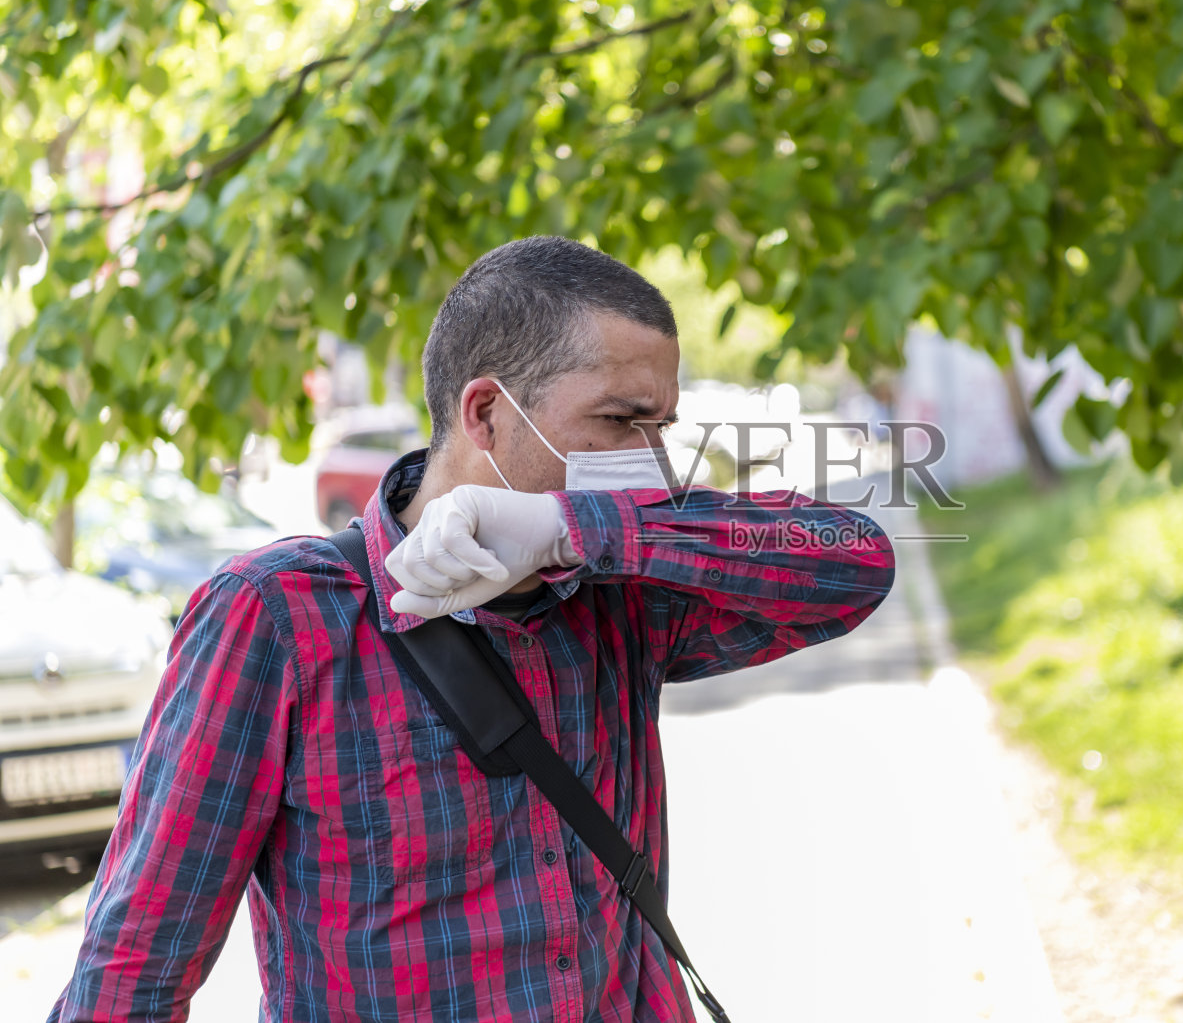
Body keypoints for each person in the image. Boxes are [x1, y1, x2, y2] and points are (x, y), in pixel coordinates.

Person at [50, 236, 896, 1022]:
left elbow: (853, 563)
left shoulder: (622, 588)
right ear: (486, 414)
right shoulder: (277, 617)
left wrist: (579, 529)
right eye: (619, 421)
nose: (653, 462)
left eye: (661, 426)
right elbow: (135, 964)